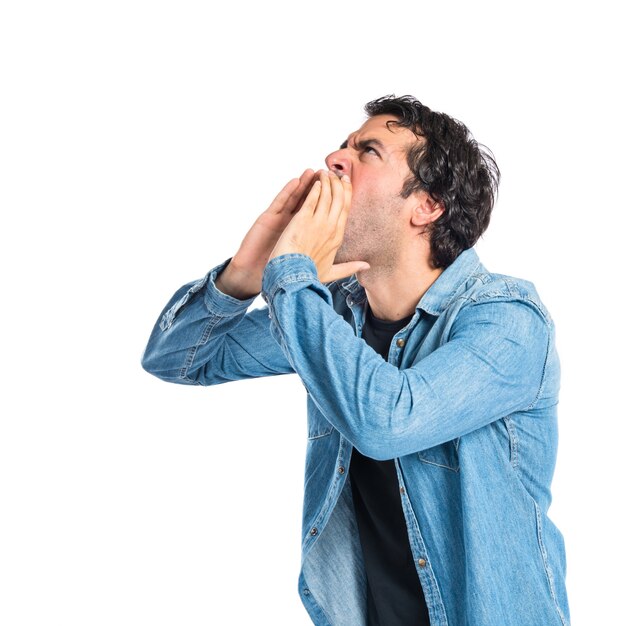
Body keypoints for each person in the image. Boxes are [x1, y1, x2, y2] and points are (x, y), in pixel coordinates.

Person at [140, 95, 570, 626]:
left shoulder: (507, 321)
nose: (335, 160)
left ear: (427, 205)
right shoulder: (335, 316)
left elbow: (387, 420)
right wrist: (246, 273)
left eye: (367, 152)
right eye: (342, 147)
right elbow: (178, 358)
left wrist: (293, 274)